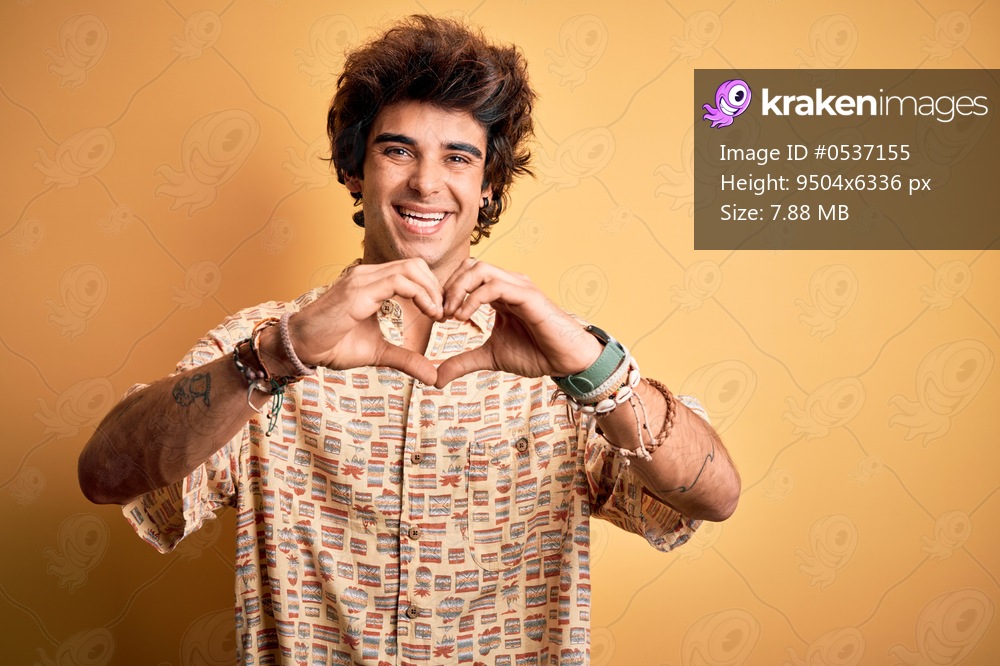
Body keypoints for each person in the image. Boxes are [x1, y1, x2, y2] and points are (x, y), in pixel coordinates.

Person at [79, 14, 739, 665]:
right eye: (398, 150)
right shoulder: (266, 350)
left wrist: (594, 370)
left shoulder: (559, 364)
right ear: (355, 171)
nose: (427, 181)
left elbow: (715, 496)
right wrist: (272, 357)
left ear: (487, 189)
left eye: (458, 157)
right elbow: (106, 473)